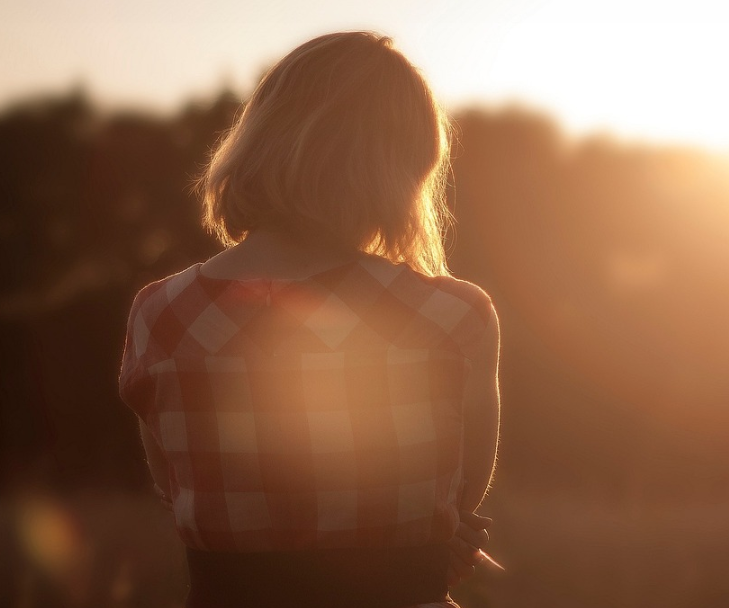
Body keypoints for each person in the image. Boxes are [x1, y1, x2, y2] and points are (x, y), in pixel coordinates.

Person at [118, 32, 500, 608]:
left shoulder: (160, 314)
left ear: (260, 139)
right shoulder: (452, 314)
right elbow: (460, 495)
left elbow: (179, 491)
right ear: (404, 168)